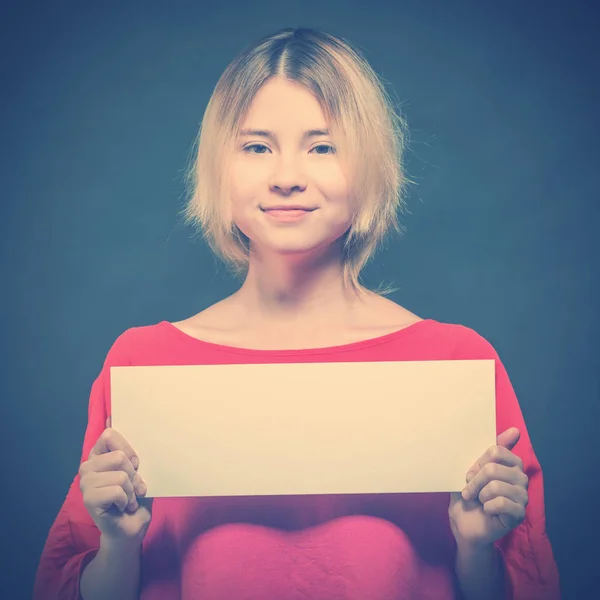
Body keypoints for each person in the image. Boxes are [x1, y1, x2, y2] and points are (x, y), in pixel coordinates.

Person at [34, 27, 560, 600]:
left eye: (323, 146)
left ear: (369, 167)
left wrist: (475, 548)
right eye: (257, 146)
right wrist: (118, 544)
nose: (286, 176)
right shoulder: (142, 364)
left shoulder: (458, 362)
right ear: (219, 167)